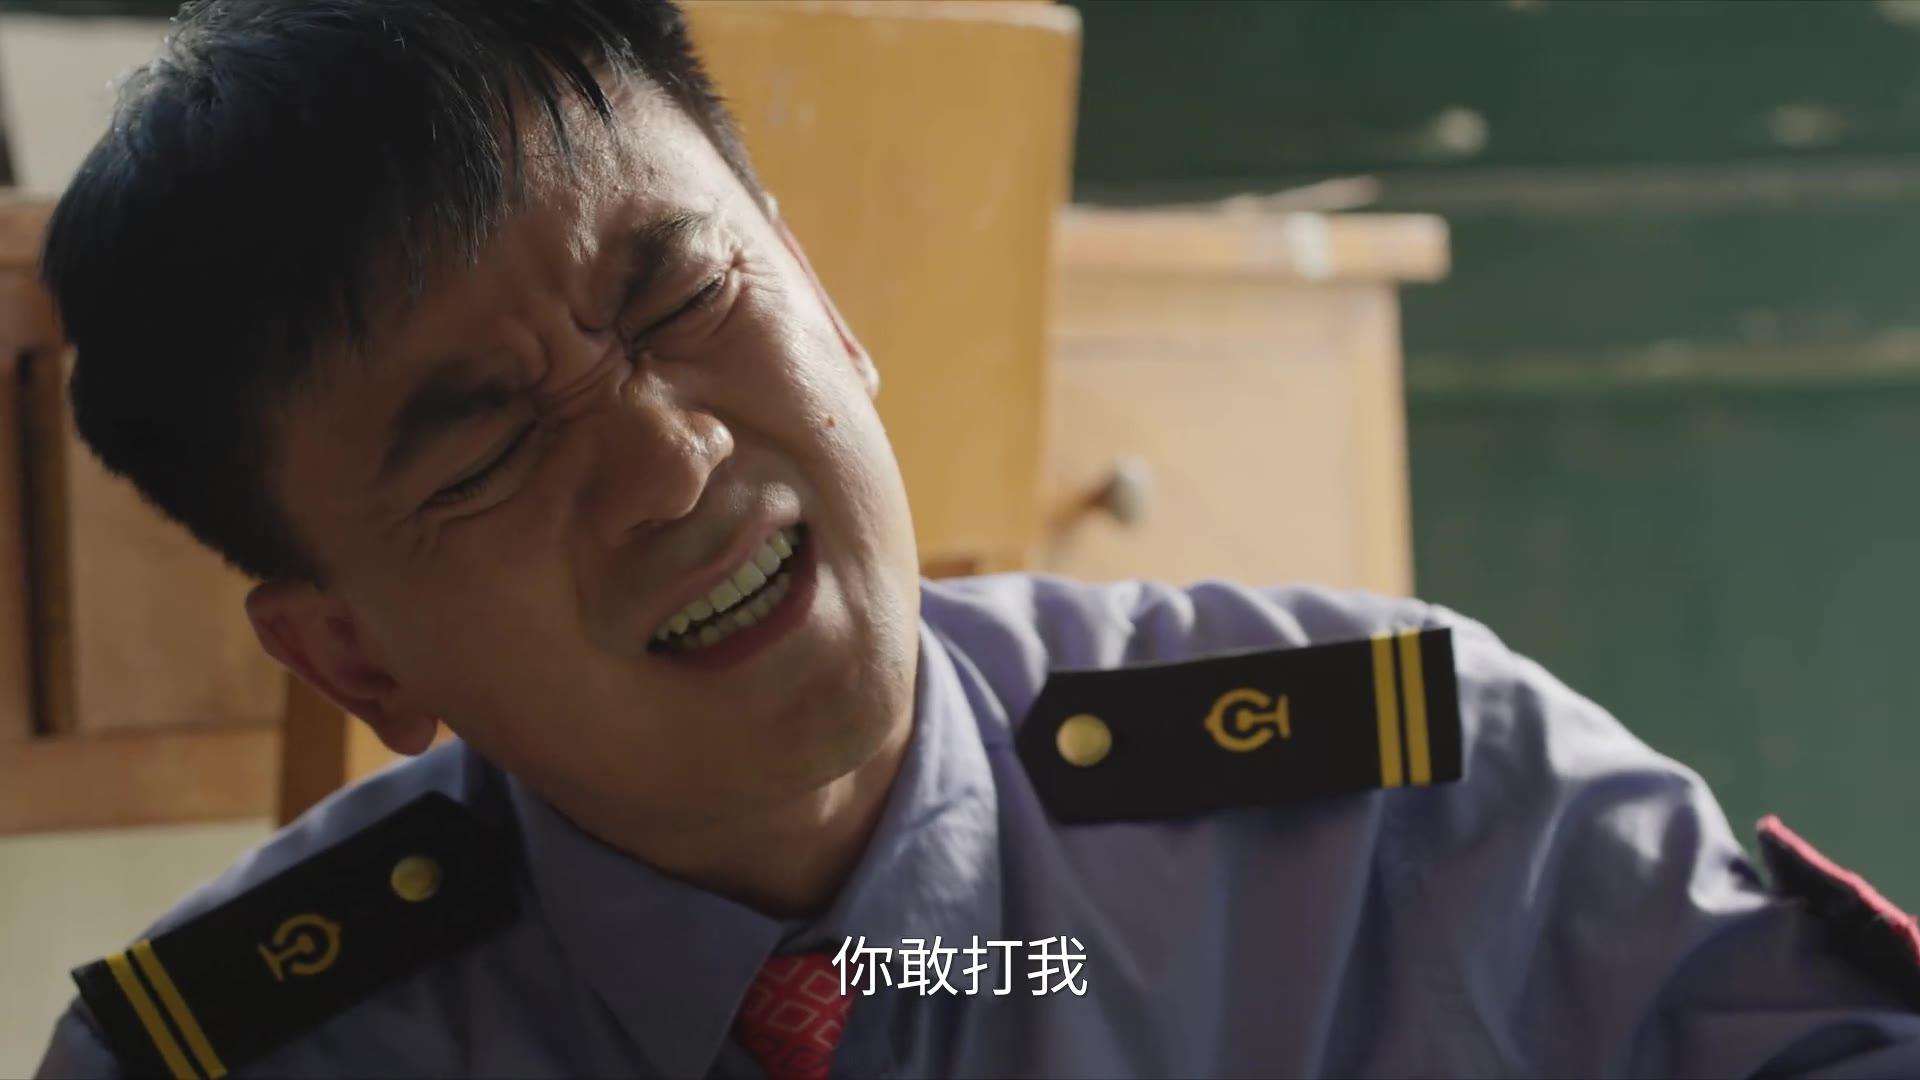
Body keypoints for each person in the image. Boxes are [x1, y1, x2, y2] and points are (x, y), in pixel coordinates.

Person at [30, 1, 1920, 1076]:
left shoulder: (1409, 809)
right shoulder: (254, 1049)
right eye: (486, 447)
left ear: (827, 300)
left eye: (682, 295)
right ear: (355, 654)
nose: (673, 461)